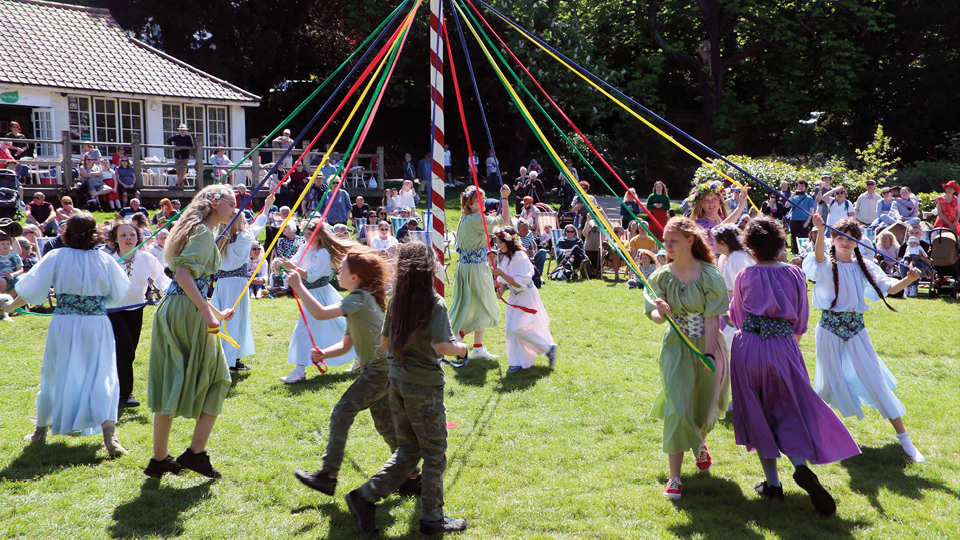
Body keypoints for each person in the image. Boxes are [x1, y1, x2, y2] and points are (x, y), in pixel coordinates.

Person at [729, 217, 860, 515]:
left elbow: (737, 316)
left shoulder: (744, 275)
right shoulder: (794, 274)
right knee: (788, 409)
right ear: (780, 243)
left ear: (750, 247)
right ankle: (800, 466)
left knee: (756, 411)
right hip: (783, 347)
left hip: (747, 347)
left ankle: (773, 484)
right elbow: (801, 319)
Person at [345, 241, 470, 536]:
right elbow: (443, 346)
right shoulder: (433, 302)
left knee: (409, 450)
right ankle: (432, 520)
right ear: (428, 268)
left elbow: (385, 343)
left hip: (396, 384)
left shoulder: (397, 300)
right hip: (423, 387)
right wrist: (462, 349)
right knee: (435, 452)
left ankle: (363, 497)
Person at [290, 245, 421, 497]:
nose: (338, 272)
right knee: (386, 427)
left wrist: (298, 285)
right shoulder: (358, 301)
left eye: (342, 269)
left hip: (379, 371)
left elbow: (319, 313)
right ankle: (413, 477)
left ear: (355, 277)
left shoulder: (358, 298)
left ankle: (328, 475)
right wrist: (324, 353)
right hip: (382, 370)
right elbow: (347, 343)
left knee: (341, 412)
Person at [2, 212, 131, 456]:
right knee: (100, 373)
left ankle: (40, 432)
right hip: (97, 324)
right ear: (96, 234)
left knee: (54, 372)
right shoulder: (105, 260)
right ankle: (110, 438)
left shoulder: (56, 256)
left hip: (65, 323)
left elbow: (31, 291)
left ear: (66, 233)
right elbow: (118, 294)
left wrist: (8, 307)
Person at [803, 215, 924, 462]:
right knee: (826, 385)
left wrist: (908, 280)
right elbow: (817, 260)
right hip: (829, 329)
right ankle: (814, 436)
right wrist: (820, 231)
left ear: (858, 242)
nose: (844, 243)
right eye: (839, 238)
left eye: (849, 239)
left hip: (857, 329)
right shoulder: (825, 263)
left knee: (875, 380)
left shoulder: (865, 266)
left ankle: (905, 441)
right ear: (832, 240)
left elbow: (889, 287)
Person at [145, 184, 238, 479]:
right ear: (214, 203)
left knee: (171, 378)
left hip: (173, 307)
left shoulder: (194, 230)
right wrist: (206, 312)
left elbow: (187, 281)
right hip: (186, 311)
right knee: (220, 379)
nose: (234, 210)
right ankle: (195, 454)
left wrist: (215, 311)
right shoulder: (201, 233)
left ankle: (160, 459)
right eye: (231, 205)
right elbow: (184, 275)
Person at [644, 217, 729, 500]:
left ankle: (700, 442)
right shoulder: (661, 276)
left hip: (706, 345)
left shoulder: (709, 274)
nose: (666, 246)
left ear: (690, 241)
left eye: (673, 241)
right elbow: (655, 318)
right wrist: (662, 313)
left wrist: (707, 353)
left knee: (703, 406)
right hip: (675, 348)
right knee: (677, 405)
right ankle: (675, 478)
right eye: (665, 241)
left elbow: (712, 319)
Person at [277, 220, 358, 383]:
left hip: (321, 295)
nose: (307, 237)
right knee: (324, 328)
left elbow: (311, 275)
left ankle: (300, 371)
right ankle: (300, 370)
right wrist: (281, 264)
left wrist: (291, 267)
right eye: (306, 233)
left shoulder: (323, 253)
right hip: (309, 293)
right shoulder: (303, 247)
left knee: (336, 326)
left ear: (320, 235)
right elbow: (294, 262)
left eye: (311, 234)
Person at [106, 220, 171, 409]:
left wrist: (169, 290)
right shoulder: (107, 259)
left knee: (129, 352)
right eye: (123, 235)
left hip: (136, 309)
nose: (128, 238)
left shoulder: (147, 258)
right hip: (112, 311)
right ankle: (125, 395)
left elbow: (161, 279)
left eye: (132, 234)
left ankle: (117, 389)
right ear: (116, 239)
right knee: (124, 347)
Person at [211, 192, 274, 371]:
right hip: (237, 284)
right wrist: (268, 205)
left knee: (224, 319)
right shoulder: (243, 239)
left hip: (222, 284)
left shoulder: (219, 240)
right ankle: (230, 361)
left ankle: (229, 358)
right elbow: (259, 225)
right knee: (235, 321)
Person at [449, 185, 511, 359]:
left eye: (483, 199)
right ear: (469, 204)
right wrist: (505, 198)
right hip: (475, 268)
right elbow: (505, 223)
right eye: (478, 200)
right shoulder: (477, 219)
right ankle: (458, 336)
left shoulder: (467, 218)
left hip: (467, 267)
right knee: (484, 307)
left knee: (476, 306)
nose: (483, 202)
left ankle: (477, 348)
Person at [492, 226, 557, 372]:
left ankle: (548, 348)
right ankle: (517, 362)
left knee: (518, 329)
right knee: (510, 329)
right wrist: (501, 291)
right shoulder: (502, 256)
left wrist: (501, 273)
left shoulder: (520, 257)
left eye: (500, 242)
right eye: (497, 242)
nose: (498, 245)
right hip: (514, 296)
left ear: (509, 242)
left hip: (526, 295)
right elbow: (504, 281)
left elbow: (519, 282)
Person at [711, 224, 756, 349]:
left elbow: (748, 287)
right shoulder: (733, 256)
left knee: (729, 345)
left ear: (723, 242)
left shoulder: (737, 258)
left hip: (738, 307)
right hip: (731, 305)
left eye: (715, 241)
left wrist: (738, 313)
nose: (713, 245)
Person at [689, 180, 748, 252]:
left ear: (720, 201)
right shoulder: (699, 225)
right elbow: (717, 232)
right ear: (701, 204)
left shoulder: (725, 219)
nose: (711, 203)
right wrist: (740, 208)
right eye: (706, 200)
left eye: (714, 199)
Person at [786, 180, 815, 255]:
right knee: (794, 237)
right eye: (799, 186)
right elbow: (787, 205)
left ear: (805, 187)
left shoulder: (809, 198)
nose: (800, 188)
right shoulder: (794, 197)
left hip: (804, 221)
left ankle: (803, 252)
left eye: (802, 186)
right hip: (794, 220)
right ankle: (795, 252)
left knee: (804, 237)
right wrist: (792, 195)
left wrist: (808, 221)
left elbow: (811, 211)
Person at [0, 231, 23, 295]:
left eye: (8, 244)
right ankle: (3, 298)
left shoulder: (14, 255)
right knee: (2, 281)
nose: (6, 245)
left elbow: (20, 269)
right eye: (2, 243)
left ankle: (14, 300)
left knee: (20, 281)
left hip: (13, 275)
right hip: (1, 275)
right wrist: (5, 274)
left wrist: (13, 274)